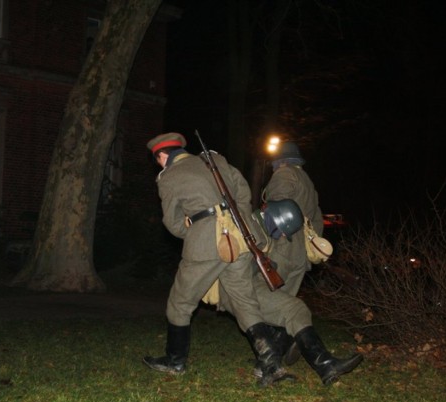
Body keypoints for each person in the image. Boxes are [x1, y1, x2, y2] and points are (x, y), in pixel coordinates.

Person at [141, 132, 291, 386]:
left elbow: (173, 222)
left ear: (163, 155)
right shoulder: (214, 159)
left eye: (158, 160)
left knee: (180, 302)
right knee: (244, 301)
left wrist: (194, 231)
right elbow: (243, 190)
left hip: (206, 242)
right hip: (241, 238)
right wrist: (236, 220)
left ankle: (175, 361)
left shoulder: (169, 176)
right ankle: (271, 363)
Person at [218, 199, 364, 386]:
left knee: (297, 308)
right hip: (237, 287)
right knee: (291, 308)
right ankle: (272, 365)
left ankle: (326, 365)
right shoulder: (247, 225)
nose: (281, 236)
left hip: (255, 285)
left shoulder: (267, 231)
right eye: (280, 231)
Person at [263, 141, 324, 297]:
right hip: (301, 254)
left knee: (265, 297)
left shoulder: (285, 173)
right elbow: (317, 220)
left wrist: (271, 238)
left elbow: (276, 208)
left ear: (282, 160)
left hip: (283, 247)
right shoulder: (308, 182)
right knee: (285, 301)